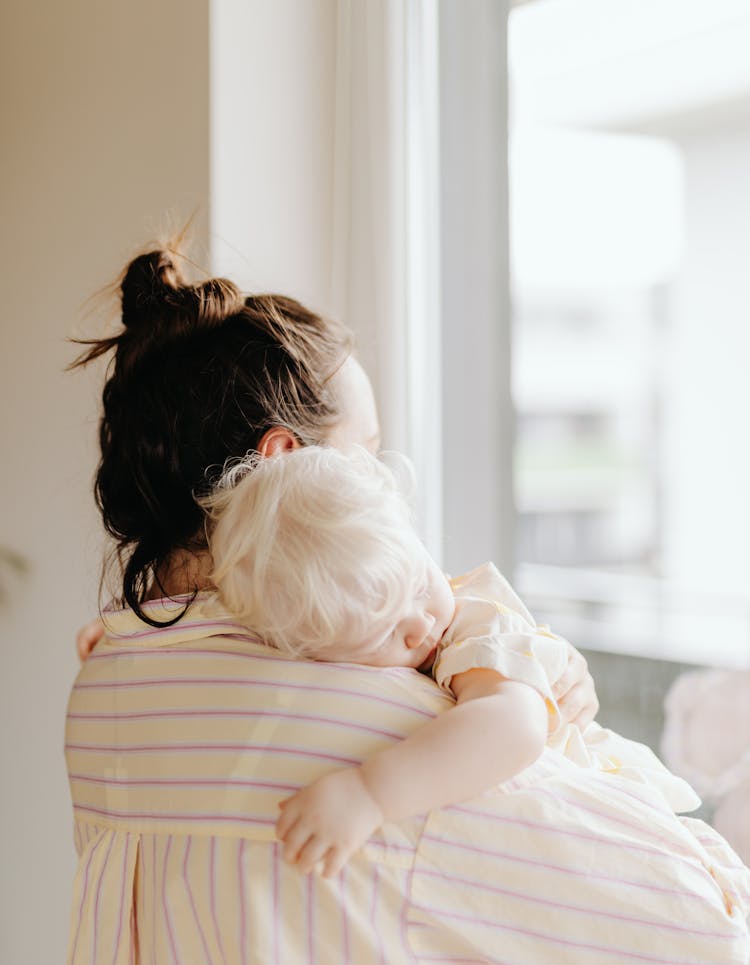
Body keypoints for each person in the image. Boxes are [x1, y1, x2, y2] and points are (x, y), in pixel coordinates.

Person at [66, 245, 748, 964]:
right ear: (285, 459)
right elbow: (702, 930)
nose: (387, 488)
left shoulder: (102, 691)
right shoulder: (390, 735)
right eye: (367, 452)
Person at [201, 443, 750, 914]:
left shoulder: (476, 626)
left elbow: (512, 729)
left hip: (633, 825)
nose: (420, 626)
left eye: (418, 584)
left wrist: (370, 793)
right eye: (382, 633)